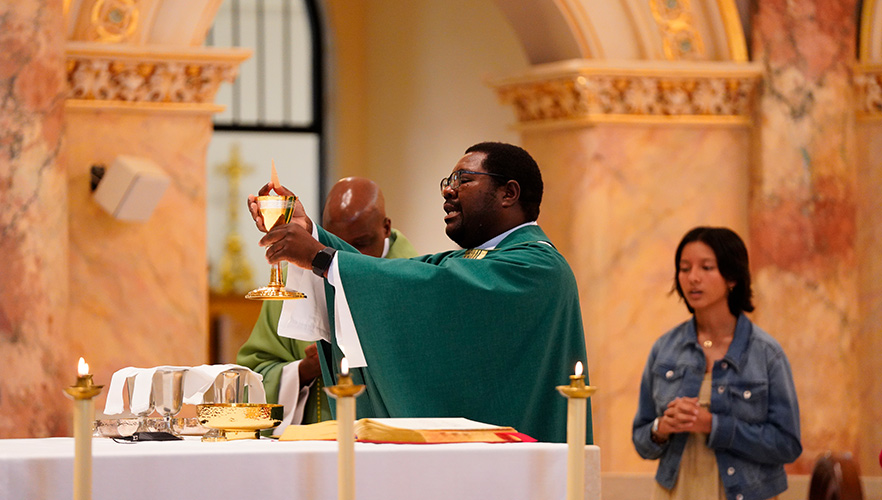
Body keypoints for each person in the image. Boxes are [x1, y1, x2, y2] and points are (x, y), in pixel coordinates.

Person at [247, 141, 591, 443]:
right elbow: (409, 275)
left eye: (464, 180)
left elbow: (431, 288)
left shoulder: (536, 267)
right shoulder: (477, 259)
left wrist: (320, 256)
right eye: (448, 181)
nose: (448, 190)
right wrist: (310, 232)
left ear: (509, 193)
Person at [632, 226, 802, 500]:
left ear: (732, 277)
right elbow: (642, 439)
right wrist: (662, 428)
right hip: (677, 491)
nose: (693, 278)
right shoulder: (665, 350)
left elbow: (787, 444)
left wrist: (714, 425)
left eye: (706, 267)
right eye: (684, 268)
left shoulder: (766, 353)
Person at [237, 177, 418, 432]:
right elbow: (254, 379)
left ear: (386, 228)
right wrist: (303, 370)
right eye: (333, 243)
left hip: (389, 443)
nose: (344, 256)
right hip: (312, 445)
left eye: (361, 244)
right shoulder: (296, 283)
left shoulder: (412, 280)